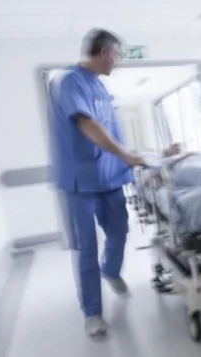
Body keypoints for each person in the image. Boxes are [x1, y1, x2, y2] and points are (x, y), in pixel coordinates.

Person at [49, 29, 147, 337]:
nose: (117, 62)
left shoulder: (102, 88)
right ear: (104, 52)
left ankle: (111, 271)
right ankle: (92, 312)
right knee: (87, 248)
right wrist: (126, 155)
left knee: (119, 232)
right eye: (117, 55)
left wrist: (132, 157)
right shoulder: (68, 81)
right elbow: (87, 124)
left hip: (111, 177)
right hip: (81, 182)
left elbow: (112, 130)